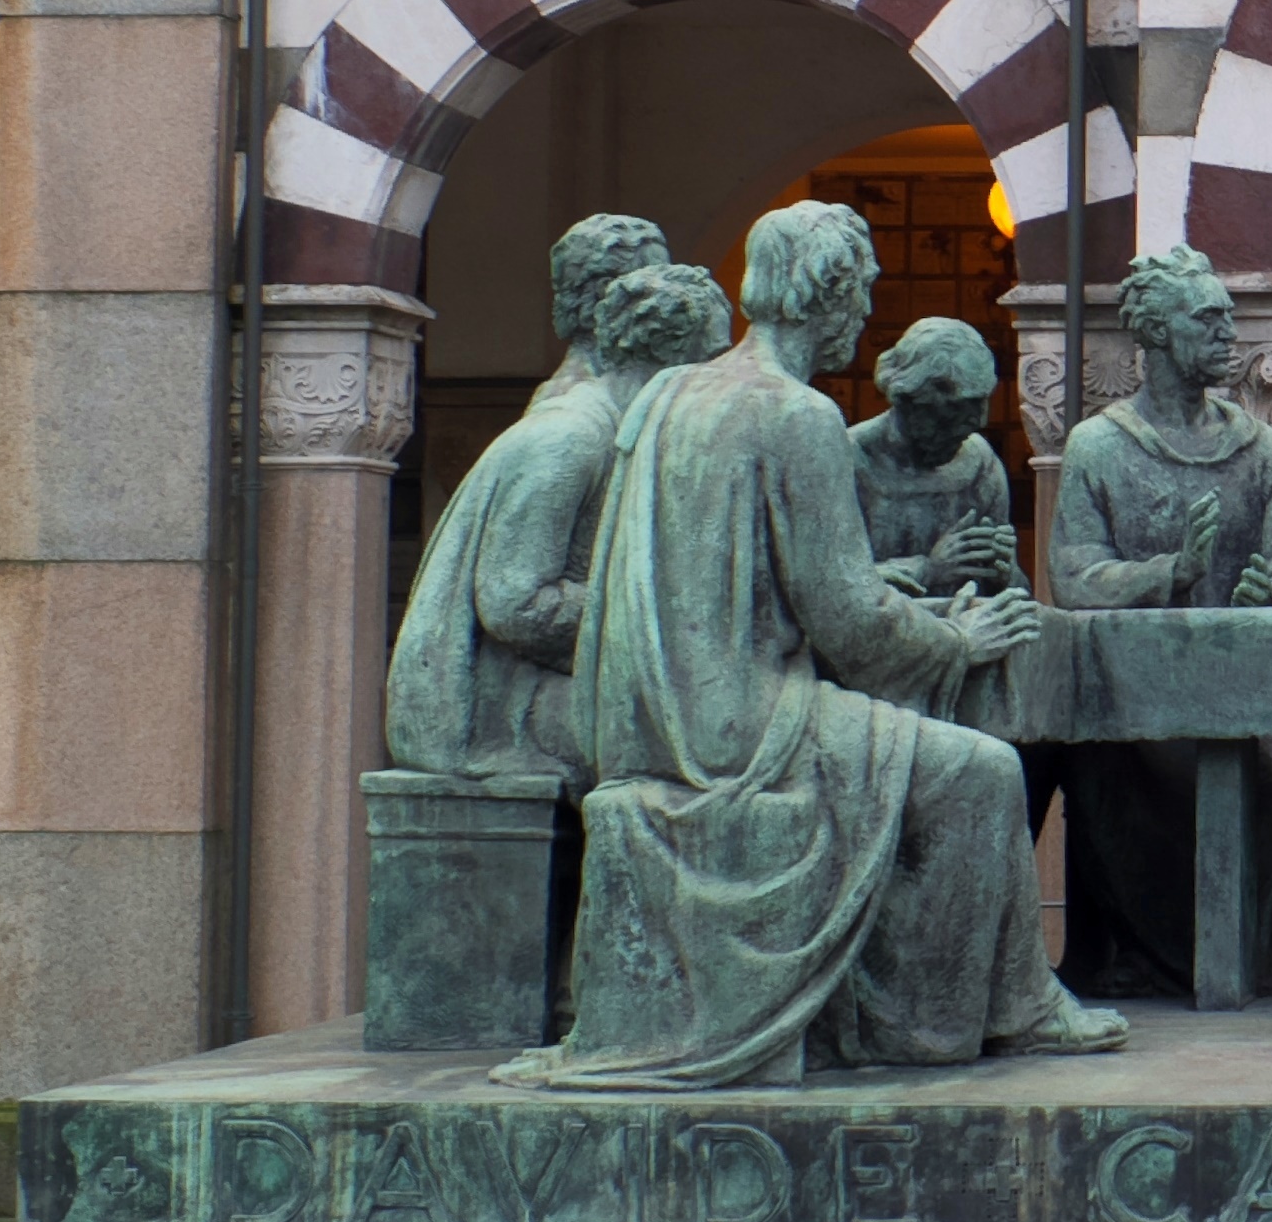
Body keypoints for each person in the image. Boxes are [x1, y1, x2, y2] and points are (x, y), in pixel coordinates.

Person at [495, 203, 1121, 1090]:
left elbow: (745, 575)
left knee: (939, 766)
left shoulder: (675, 391)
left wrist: (888, 588)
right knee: (982, 773)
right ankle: (971, 1019)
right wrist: (956, 637)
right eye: (862, 291)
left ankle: (965, 1006)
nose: (866, 313)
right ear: (826, 293)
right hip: (745, 727)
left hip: (660, 714)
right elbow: (850, 621)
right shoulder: (798, 415)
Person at [1047, 247, 1272, 998]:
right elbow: (1072, 575)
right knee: (1134, 795)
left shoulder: (1257, 449)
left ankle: (1257, 964)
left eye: (1229, 319)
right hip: (1133, 702)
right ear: (1157, 334)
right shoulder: (1099, 447)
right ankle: (1152, 962)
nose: (1227, 334)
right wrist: (1168, 573)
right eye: (1207, 320)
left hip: (1238, 690)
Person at [388, 261, 731, 787]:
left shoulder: (620, 433)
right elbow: (513, 602)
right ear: (669, 357)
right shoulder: (570, 438)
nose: (713, 379)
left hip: (538, 686)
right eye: (708, 360)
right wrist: (644, 615)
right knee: (709, 742)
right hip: (489, 711)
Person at [853, 317, 1025, 598]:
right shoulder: (848, 460)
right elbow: (827, 588)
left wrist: (1003, 574)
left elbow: (1015, 595)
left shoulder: (980, 463)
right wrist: (928, 569)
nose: (978, 420)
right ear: (909, 397)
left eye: (983, 402)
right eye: (960, 406)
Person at [525, 211, 670, 416]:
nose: (669, 291)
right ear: (607, 291)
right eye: (654, 280)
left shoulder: (623, 389)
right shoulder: (568, 407)